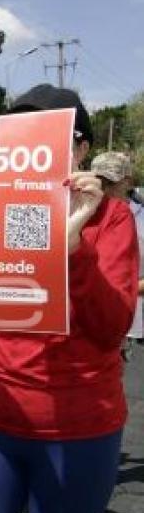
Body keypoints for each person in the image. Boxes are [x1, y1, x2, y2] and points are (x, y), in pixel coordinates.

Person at [0, 84, 139, 513]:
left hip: (80, 429)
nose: (37, 149)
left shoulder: (113, 218)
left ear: (82, 148)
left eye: (55, 137)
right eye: (23, 135)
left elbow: (111, 327)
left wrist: (73, 248)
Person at [91, 151, 144, 361]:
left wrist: (125, 288)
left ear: (128, 182)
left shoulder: (140, 218)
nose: (105, 189)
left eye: (111, 182)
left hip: (127, 317)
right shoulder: (85, 209)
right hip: (92, 315)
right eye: (100, 181)